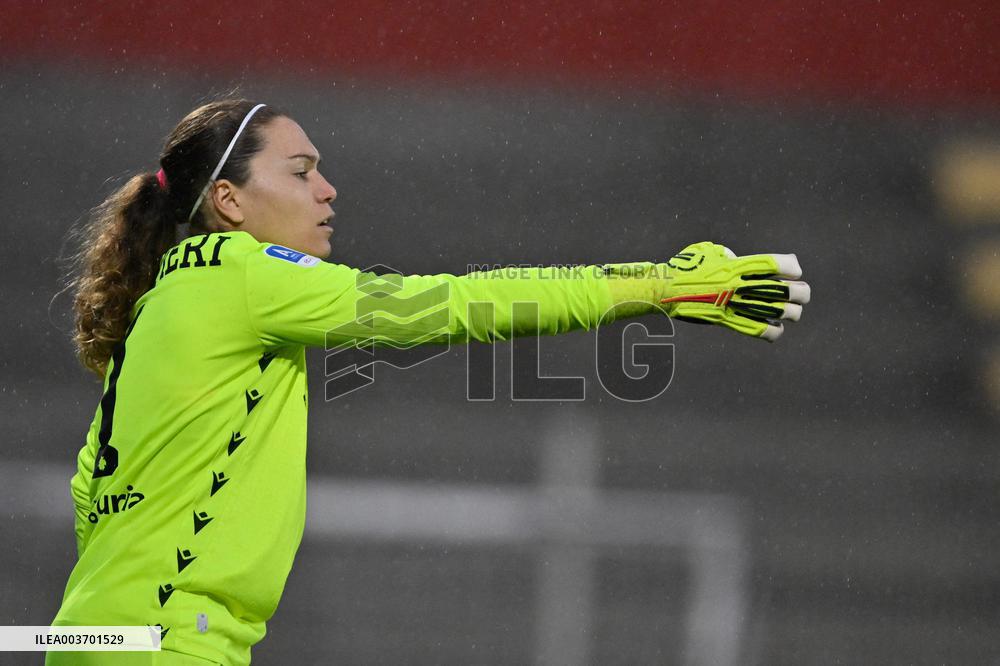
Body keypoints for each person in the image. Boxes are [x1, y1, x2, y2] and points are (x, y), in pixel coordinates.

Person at [48, 99, 810, 665]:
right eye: (303, 171)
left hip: (98, 633)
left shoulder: (161, 305)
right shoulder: (246, 277)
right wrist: (653, 287)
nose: (328, 190)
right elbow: (450, 307)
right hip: (168, 641)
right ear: (229, 201)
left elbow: (93, 495)